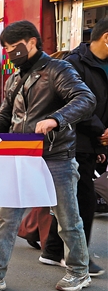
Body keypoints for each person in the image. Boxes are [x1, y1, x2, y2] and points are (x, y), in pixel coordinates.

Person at [0, 20, 96, 291]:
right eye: (5, 49)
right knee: (6, 219)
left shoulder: (58, 69)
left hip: (57, 156)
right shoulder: (14, 79)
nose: (9, 53)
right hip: (21, 157)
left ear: (31, 42)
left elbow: (85, 99)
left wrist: (56, 119)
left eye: (12, 47)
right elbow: (5, 117)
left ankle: (79, 271)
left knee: (67, 219)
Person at [39, 17, 108, 277]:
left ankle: (52, 251)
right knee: (82, 200)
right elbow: (75, 105)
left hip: (94, 143)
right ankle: (77, 257)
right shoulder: (73, 64)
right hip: (71, 141)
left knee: (69, 199)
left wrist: (103, 142)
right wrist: (101, 130)